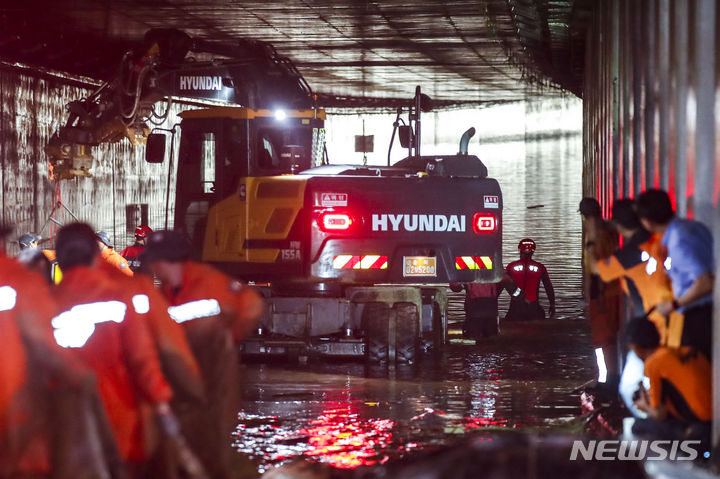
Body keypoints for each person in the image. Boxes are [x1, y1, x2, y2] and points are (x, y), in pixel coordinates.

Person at [52, 223, 200, 478]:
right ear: (93, 256)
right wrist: (164, 404)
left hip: (64, 434)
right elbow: (142, 359)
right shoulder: (121, 296)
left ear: (60, 261)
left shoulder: (42, 302)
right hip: (121, 428)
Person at [141, 229, 263, 479]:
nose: (151, 266)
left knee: (212, 445)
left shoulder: (207, 282)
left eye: (153, 260)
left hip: (214, 382)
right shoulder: (167, 292)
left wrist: (230, 338)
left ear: (164, 260)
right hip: (189, 380)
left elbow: (252, 306)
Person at [635, 189, 714, 358]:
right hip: (708, 310)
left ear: (647, 222)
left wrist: (673, 305)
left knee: (699, 368)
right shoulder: (693, 227)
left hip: (700, 314)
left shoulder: (678, 241)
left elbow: (705, 282)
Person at [627, 317, 711, 448]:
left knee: (638, 427)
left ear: (635, 346)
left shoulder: (653, 363)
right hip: (714, 419)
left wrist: (644, 406)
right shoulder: (681, 350)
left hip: (701, 429)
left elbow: (659, 415)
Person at [579, 197, 622, 388]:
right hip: (613, 289)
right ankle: (610, 377)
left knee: (602, 339)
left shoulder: (594, 234)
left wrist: (591, 296)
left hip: (603, 292)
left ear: (583, 216)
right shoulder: (608, 229)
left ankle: (606, 380)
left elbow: (595, 268)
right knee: (609, 338)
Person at [503, 238, 555, 321]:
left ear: (519, 250)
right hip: (533, 309)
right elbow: (548, 287)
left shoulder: (511, 266)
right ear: (533, 252)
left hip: (516, 309)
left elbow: (501, 285)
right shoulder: (540, 267)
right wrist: (552, 305)